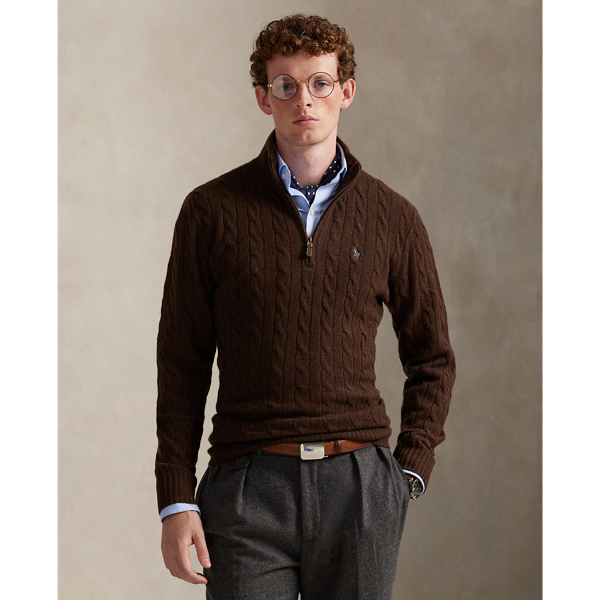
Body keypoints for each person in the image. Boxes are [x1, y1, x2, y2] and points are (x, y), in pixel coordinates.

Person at [156, 14, 455, 600]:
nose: (304, 100)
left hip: (361, 487)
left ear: (346, 91)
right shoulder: (210, 212)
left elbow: (433, 357)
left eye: (320, 82)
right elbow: (181, 363)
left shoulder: (393, 217)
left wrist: (409, 469)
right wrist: (176, 495)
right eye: (286, 85)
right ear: (263, 97)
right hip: (246, 487)